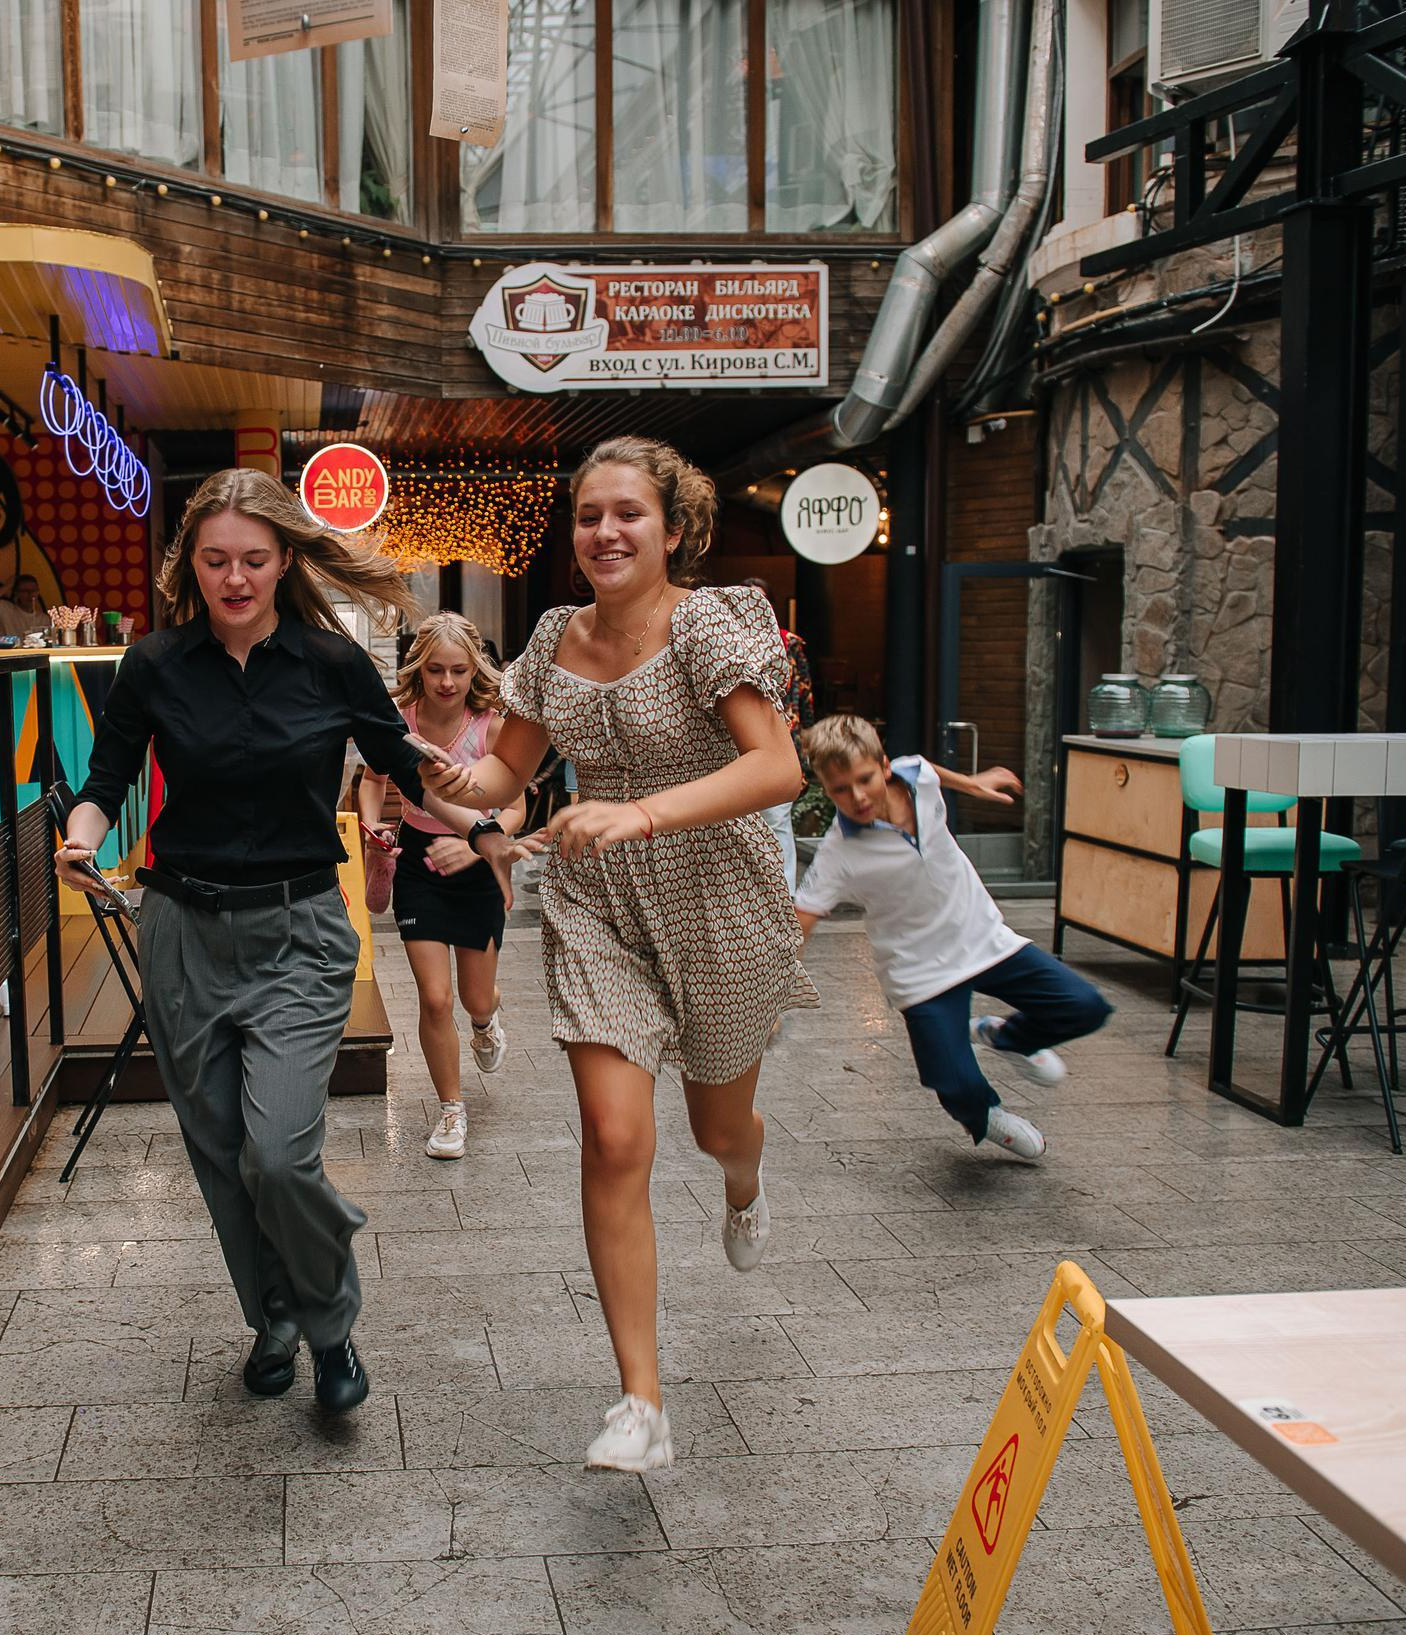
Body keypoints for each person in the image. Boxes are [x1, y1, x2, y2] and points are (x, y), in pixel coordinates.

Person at [55, 469, 505, 1415]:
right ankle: (274, 1319)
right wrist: (80, 840)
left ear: (286, 561)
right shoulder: (154, 664)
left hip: (300, 930)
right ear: (192, 565)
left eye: (254, 559)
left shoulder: (332, 664)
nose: (234, 578)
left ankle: (331, 1325)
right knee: (221, 1151)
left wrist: (492, 823)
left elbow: (407, 769)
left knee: (281, 1153)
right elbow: (106, 779)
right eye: (215, 560)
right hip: (180, 929)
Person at [424, 437, 813, 1474]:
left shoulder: (705, 626)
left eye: (627, 514)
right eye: (589, 515)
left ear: (671, 528)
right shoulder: (553, 634)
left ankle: (745, 1177)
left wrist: (638, 813)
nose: (604, 531)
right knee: (612, 1134)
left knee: (715, 1125)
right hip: (597, 905)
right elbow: (507, 771)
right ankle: (640, 1401)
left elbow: (778, 768)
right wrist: (441, 779)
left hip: (717, 896)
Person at [793, 713, 1114, 1162]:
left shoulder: (914, 776)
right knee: (952, 1080)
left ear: (884, 766)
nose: (858, 796)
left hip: (981, 936)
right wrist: (773, 993)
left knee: (1086, 1007)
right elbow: (803, 916)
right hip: (920, 972)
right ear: (825, 790)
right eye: (840, 789)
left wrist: (973, 782)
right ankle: (986, 1118)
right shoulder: (837, 852)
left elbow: (927, 766)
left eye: (865, 779)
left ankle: (1008, 1038)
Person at [356, 613, 528, 1160]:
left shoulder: (491, 726)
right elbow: (371, 779)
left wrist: (484, 838)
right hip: (417, 866)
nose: (447, 682)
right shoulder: (399, 721)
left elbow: (519, 803)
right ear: (420, 669)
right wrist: (373, 823)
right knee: (434, 997)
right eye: (435, 670)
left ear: (473, 670)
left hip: (476, 871)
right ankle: (452, 1110)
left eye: (457, 670)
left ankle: (485, 1020)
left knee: (475, 996)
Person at [738, 576, 815, 896]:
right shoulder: (727, 643)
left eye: (761, 601)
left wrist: (805, 741)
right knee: (741, 821)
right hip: (739, 746)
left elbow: (803, 692)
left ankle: (785, 893)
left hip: (780, 738)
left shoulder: (789, 644)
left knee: (778, 819)